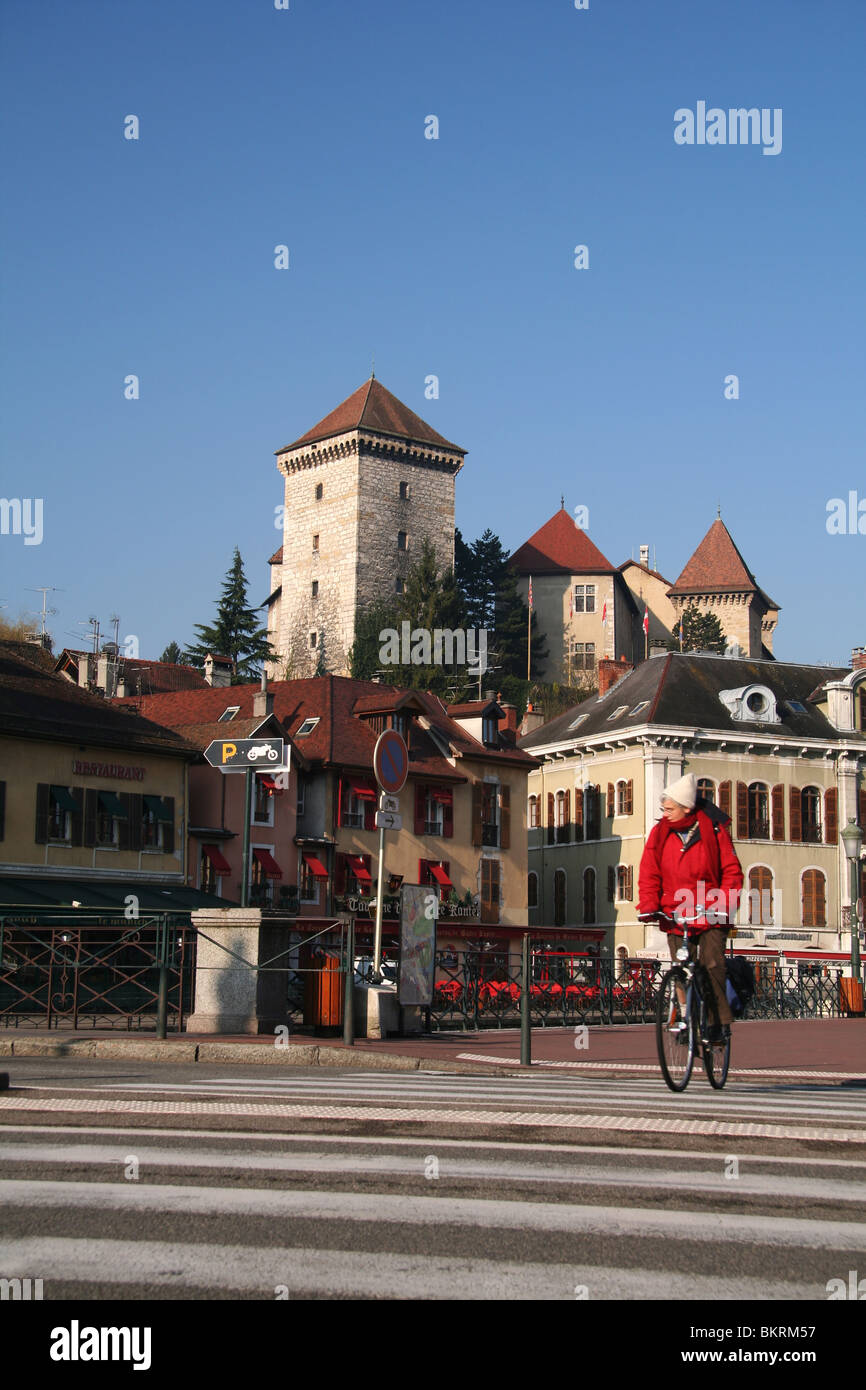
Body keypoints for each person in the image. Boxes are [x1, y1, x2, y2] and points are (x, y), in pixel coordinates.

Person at [638, 773, 743, 1042]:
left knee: (712, 964)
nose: (665, 813)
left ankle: (717, 1024)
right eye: (664, 808)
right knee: (680, 967)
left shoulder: (714, 831)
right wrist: (650, 906)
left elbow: (731, 871)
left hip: (710, 910)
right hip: (676, 911)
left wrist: (724, 904)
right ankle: (685, 1016)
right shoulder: (660, 833)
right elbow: (649, 871)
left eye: (669, 808)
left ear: (686, 807)